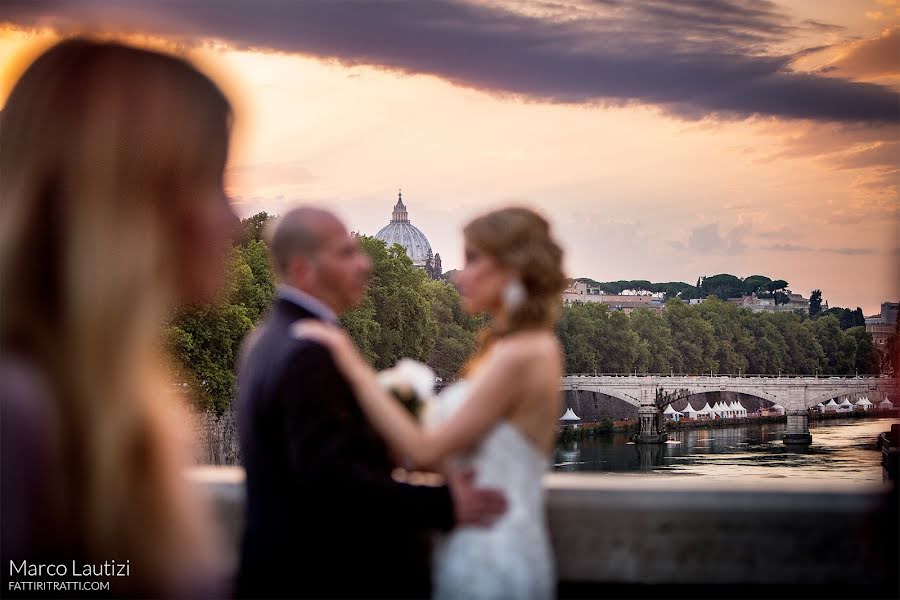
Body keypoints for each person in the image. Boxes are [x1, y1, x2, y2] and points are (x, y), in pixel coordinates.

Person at [0, 39, 238, 596]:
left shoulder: (108, 403)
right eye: (210, 182)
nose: (233, 219)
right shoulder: (19, 416)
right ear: (133, 199)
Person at [235, 207, 507, 599]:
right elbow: (336, 487)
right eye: (346, 253)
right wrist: (444, 504)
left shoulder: (267, 340)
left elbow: (311, 459)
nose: (365, 264)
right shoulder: (309, 352)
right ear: (302, 270)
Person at [298, 206, 567, 599]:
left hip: (491, 557)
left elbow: (425, 450)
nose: (459, 276)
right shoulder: (515, 347)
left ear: (511, 269)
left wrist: (350, 363)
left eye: (473, 260)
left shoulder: (521, 354)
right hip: (481, 543)